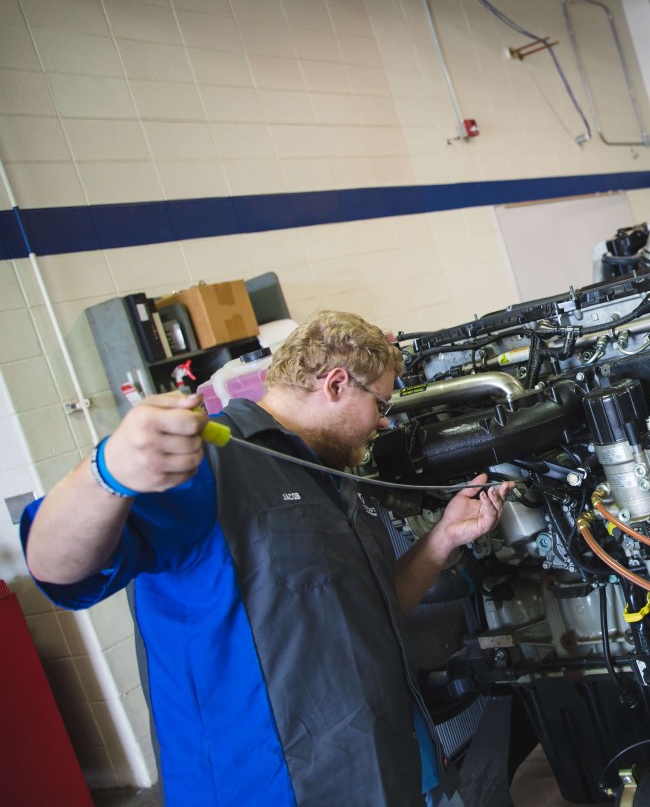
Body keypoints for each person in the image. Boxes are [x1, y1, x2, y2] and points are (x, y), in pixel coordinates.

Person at [21, 310, 513, 807]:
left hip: (384, 766)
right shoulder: (210, 462)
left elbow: (376, 611)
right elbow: (56, 570)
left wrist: (444, 538)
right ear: (337, 384)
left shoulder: (336, 478)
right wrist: (108, 471)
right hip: (270, 786)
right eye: (381, 402)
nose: (384, 420)